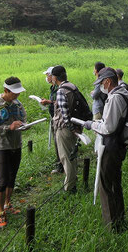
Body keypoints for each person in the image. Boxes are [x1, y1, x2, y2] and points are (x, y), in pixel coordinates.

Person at [82, 67, 128, 232]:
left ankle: (112, 226)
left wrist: (92, 125)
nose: (101, 86)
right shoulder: (122, 94)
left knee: (106, 185)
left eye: (101, 82)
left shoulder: (116, 98)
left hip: (111, 146)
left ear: (108, 81)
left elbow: (108, 127)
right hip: (117, 145)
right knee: (114, 183)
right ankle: (120, 218)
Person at [0, 76, 27, 228]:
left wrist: (24, 125)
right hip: (2, 146)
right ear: (5, 91)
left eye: (18, 93)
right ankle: (0, 212)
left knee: (12, 177)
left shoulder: (18, 103)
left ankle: (8, 204)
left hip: (17, 144)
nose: (17, 96)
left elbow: (23, 118)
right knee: (2, 180)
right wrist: (8, 128)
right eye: (14, 93)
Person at [51, 65, 80, 193]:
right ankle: (73, 179)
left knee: (66, 157)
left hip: (65, 128)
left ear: (55, 77)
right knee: (72, 155)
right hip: (74, 126)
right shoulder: (72, 86)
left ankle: (69, 187)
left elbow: (65, 114)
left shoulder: (61, 91)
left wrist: (70, 128)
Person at [40, 67, 64, 174]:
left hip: (59, 119)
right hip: (54, 117)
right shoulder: (53, 88)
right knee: (56, 142)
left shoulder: (59, 88)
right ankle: (60, 164)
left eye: (48, 75)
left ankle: (62, 166)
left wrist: (49, 102)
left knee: (59, 143)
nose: (47, 77)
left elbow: (59, 102)